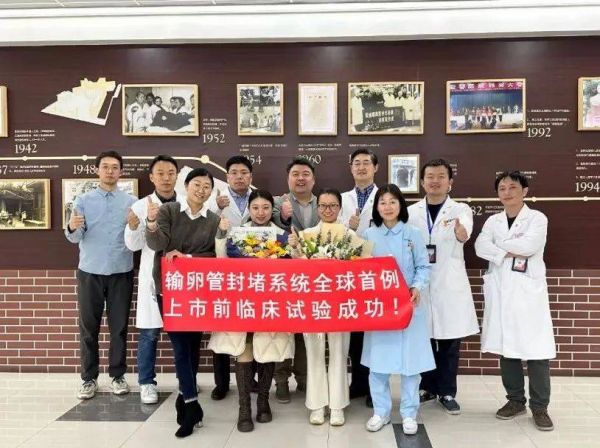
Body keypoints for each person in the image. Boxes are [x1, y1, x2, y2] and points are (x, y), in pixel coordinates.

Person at [146, 167, 226, 438]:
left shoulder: (213, 220)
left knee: (192, 347)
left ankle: (184, 398)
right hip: (170, 291)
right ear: (186, 186)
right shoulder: (169, 211)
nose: (201, 190)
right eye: (197, 185)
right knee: (180, 347)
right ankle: (191, 406)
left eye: (206, 187)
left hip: (198, 292)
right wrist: (151, 223)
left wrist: (188, 259)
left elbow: (213, 255)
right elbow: (158, 245)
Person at [474, 171, 556, 432]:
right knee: (507, 348)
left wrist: (498, 248)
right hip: (501, 290)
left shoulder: (537, 218)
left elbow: (530, 246)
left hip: (527, 292)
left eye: (512, 187)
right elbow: (480, 246)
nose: (507, 192)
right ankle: (515, 401)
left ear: (525, 191)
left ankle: (540, 407)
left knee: (536, 350)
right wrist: (508, 249)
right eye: (502, 188)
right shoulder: (493, 220)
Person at [210, 190, 294, 432]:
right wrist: (221, 235)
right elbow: (222, 261)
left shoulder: (282, 235)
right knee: (243, 351)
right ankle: (244, 408)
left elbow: (294, 270)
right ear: (249, 209)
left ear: (272, 210)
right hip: (243, 304)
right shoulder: (237, 233)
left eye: (266, 207)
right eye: (255, 208)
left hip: (271, 304)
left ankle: (263, 401)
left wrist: (295, 247)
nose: (260, 213)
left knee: (268, 350)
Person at [407, 159, 479, 415]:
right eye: (430, 176)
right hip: (421, 283)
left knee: (449, 342)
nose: (435, 181)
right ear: (422, 181)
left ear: (450, 182)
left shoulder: (460, 209)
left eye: (440, 176)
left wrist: (461, 232)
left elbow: (465, 232)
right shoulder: (412, 211)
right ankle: (427, 387)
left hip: (449, 283)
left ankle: (447, 392)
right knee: (424, 338)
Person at [361, 184, 434, 435]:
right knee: (378, 364)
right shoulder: (369, 234)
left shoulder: (413, 233)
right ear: (377, 207)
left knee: (410, 365)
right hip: (380, 308)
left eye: (393, 201)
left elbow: (424, 266)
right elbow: (362, 270)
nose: (388, 207)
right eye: (383, 202)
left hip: (408, 306)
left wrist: (417, 286)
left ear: (401, 205)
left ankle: (409, 413)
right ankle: (380, 412)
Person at [65, 150, 137, 400]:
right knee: (88, 328)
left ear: (121, 172)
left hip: (121, 271)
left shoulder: (131, 202)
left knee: (119, 328)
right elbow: (75, 237)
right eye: (105, 166)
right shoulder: (83, 200)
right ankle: (88, 379)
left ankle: (117, 376)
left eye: (115, 167)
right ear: (97, 170)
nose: (110, 171)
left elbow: (136, 237)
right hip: (90, 272)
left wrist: (136, 225)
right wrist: (71, 227)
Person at [288, 188, 352, 426]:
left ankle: (337, 406)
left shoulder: (350, 235)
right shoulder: (306, 235)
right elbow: (297, 270)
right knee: (314, 353)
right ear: (317, 209)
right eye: (323, 205)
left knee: (339, 353)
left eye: (333, 205)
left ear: (340, 208)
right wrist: (294, 248)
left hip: (340, 304)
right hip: (313, 304)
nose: (328, 210)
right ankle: (316, 405)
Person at [124, 155, 182, 404]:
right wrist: (132, 226)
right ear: (151, 177)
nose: (166, 178)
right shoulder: (141, 206)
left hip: (180, 275)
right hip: (153, 276)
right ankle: (146, 383)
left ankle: (185, 380)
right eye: (160, 173)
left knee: (182, 332)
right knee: (149, 332)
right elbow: (133, 245)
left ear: (177, 176)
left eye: (170, 173)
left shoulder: (185, 202)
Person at [272, 157, 319, 403]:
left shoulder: (324, 203)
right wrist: (283, 217)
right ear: (288, 178)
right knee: (282, 330)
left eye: (305, 174)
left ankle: (303, 378)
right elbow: (268, 226)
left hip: (312, 279)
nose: (301, 178)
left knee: (305, 331)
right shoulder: (276, 203)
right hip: (282, 278)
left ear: (313, 179)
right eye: (295, 174)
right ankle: (281, 380)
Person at [208, 155, 254, 401]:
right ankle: (221, 383)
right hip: (225, 271)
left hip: (252, 274)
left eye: (244, 173)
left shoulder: (258, 198)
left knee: (251, 327)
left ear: (250, 176)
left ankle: (250, 379)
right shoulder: (216, 200)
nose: (239, 177)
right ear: (227, 177)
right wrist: (216, 207)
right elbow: (207, 226)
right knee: (223, 327)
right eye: (234, 173)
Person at [339, 149, 379, 407]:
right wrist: (349, 228)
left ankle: (375, 386)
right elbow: (334, 233)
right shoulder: (342, 199)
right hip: (350, 275)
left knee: (375, 332)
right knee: (355, 332)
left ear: (375, 167)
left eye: (366, 163)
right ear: (351, 168)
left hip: (376, 271)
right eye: (357, 163)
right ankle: (358, 383)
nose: (362, 167)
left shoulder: (386, 197)